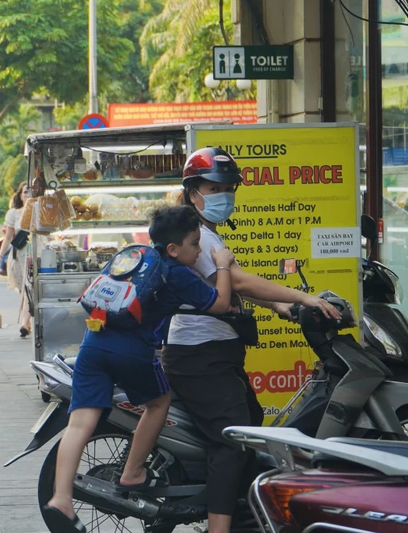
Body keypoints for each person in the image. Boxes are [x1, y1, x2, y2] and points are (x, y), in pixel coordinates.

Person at [163, 147, 340, 533]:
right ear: (193, 191)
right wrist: (303, 297)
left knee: (252, 424)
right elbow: (238, 281)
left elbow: (232, 281)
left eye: (229, 187)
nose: (224, 194)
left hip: (214, 353)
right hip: (200, 356)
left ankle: (247, 515)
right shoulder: (197, 236)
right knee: (230, 442)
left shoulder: (204, 233)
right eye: (215, 187)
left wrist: (280, 306)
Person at [44, 205, 238, 531]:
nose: (199, 249)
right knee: (159, 403)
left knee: (79, 425)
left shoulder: (132, 256)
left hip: (93, 342)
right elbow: (219, 303)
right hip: (132, 350)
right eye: (195, 243)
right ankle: (132, 471)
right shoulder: (176, 273)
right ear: (174, 248)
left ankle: (61, 498)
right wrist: (222, 266)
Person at [0, 182, 32, 337]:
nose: (28, 194)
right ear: (20, 195)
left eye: (31, 192)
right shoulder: (14, 214)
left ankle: (25, 322)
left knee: (28, 288)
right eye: (25, 192)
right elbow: (8, 237)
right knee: (22, 289)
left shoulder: (41, 211)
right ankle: (28, 321)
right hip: (18, 255)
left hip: (34, 254)